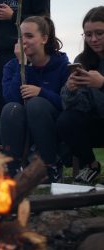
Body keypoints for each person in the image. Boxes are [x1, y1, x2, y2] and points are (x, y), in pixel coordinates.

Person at [0, 16, 70, 181]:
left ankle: (50, 166)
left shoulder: (61, 65)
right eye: (21, 36)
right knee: (11, 109)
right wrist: (21, 65)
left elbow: (67, 102)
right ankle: (13, 168)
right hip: (22, 128)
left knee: (36, 104)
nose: (24, 41)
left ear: (44, 39)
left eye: (29, 36)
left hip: (52, 127)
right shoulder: (12, 66)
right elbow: (10, 98)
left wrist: (41, 92)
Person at [0, 0, 50, 142]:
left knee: (26, 102)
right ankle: (7, 150)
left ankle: (32, 150)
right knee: (2, 106)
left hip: (27, 53)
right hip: (0, 52)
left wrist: (13, 16)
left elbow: (44, 21)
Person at [57, 6, 104, 184]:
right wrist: (71, 89)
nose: (93, 39)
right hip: (97, 123)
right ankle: (90, 166)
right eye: (88, 34)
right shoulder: (82, 60)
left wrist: (102, 84)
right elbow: (80, 107)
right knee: (66, 120)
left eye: (99, 33)